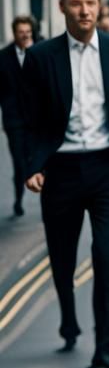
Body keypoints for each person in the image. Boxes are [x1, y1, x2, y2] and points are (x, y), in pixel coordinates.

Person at [20, 0, 109, 368]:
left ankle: (104, 347)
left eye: (91, 2)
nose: (85, 10)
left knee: (105, 256)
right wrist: (32, 165)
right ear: (62, 7)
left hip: (107, 168)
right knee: (62, 258)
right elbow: (27, 119)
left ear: (99, 5)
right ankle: (69, 321)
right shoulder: (41, 57)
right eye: (76, 3)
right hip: (61, 169)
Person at [0, 15, 35, 217]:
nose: (25, 35)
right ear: (14, 34)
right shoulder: (3, 57)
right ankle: (18, 200)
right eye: (21, 32)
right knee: (19, 163)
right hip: (14, 120)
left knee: (41, 161)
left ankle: (50, 200)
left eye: (28, 32)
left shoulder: (39, 53)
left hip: (36, 120)